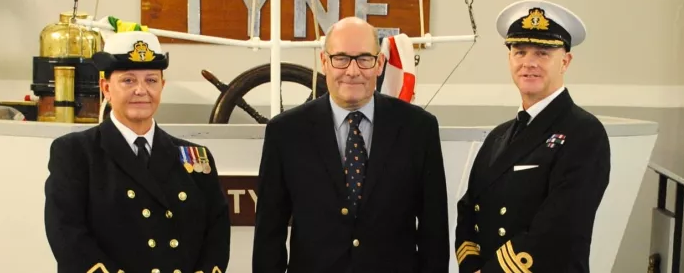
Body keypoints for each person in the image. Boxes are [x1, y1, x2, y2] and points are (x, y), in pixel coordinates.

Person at [252, 17, 450, 273]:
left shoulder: (419, 128)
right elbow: (269, 233)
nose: (353, 71)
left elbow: (434, 231)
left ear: (379, 64)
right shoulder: (286, 132)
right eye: (341, 58)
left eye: (364, 59)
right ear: (324, 62)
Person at [44, 30, 231, 273]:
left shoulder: (195, 156)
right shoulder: (75, 153)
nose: (141, 90)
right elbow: (67, 235)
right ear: (106, 88)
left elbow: (217, 232)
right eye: (128, 80)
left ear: (162, 86)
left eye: (151, 80)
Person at [454, 0, 611, 273]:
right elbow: (469, 210)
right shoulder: (498, 136)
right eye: (520, 51)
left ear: (565, 61)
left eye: (542, 53)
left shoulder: (584, 133)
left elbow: (560, 230)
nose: (528, 63)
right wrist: (471, 266)